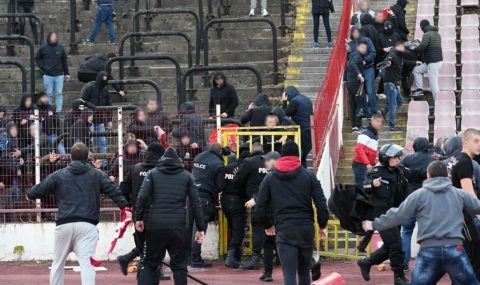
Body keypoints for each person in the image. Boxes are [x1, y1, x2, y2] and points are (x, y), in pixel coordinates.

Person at [27, 142, 131, 285]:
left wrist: (29, 195)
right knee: (87, 264)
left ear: (70, 157)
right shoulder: (97, 174)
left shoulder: (59, 175)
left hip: (64, 224)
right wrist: (126, 208)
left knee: (58, 264)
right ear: (87, 157)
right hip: (87, 225)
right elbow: (115, 192)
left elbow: (35, 192)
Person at [362, 161, 480, 285]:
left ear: (428, 175)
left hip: (429, 249)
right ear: (447, 175)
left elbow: (397, 215)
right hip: (454, 248)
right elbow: (477, 206)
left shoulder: (418, 195)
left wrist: (373, 224)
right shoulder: (459, 194)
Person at [256, 141, 329, 285]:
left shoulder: (270, 177)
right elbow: (321, 203)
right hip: (305, 229)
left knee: (289, 275)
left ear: (281, 156)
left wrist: (267, 225)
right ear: (299, 156)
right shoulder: (308, 176)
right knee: (304, 273)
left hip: (284, 230)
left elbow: (260, 205)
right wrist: (322, 225)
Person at [135, 148, 206, 284]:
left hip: (155, 225)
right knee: (179, 266)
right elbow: (196, 203)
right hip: (178, 226)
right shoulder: (187, 176)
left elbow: (142, 197)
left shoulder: (152, 174)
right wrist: (200, 228)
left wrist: (139, 218)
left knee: (150, 263)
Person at [357, 144, 410, 285]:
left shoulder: (399, 171)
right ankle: (399, 277)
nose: (398, 159)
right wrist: (372, 184)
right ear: (386, 158)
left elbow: (413, 177)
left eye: (399, 157)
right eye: (395, 157)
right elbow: (365, 186)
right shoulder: (376, 171)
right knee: (396, 244)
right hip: (381, 215)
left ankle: (366, 262)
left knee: (389, 247)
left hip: (396, 214)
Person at [117, 143, 166, 275]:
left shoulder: (135, 168)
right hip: (156, 213)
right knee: (157, 243)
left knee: (144, 243)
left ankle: (127, 259)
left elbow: (123, 189)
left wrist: (129, 205)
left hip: (139, 213)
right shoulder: (161, 171)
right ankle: (152, 271)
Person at [446, 128, 480, 279]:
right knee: (473, 258)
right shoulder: (465, 162)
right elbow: (469, 194)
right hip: (461, 216)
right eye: (476, 141)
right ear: (465, 142)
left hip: (451, 214)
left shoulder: (454, 158)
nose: (479, 145)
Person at [399, 137, 434, 271]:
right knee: (428, 233)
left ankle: (404, 264)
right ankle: (427, 265)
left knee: (406, 232)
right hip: (427, 199)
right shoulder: (432, 160)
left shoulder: (407, 159)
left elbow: (402, 175)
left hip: (411, 198)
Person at [190, 143, 226, 268]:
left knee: (188, 225)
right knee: (200, 226)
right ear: (220, 152)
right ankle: (195, 257)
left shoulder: (198, 157)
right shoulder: (218, 163)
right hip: (204, 196)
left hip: (190, 193)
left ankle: (188, 256)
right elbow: (221, 186)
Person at [234, 142, 268, 270]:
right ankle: (278, 257)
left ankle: (255, 258)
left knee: (258, 228)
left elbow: (237, 180)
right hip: (271, 200)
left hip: (255, 200)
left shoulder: (249, 162)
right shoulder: (269, 161)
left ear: (252, 151)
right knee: (272, 228)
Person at [222, 146, 251, 269]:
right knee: (238, 230)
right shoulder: (245, 168)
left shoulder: (227, 167)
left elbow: (220, 183)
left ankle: (235, 255)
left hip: (225, 200)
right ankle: (231, 257)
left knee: (233, 228)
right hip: (238, 200)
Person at [81, 71, 116, 156]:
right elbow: (83, 100)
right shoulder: (90, 88)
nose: (104, 81)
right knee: (90, 140)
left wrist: (110, 120)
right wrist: (92, 108)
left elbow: (109, 106)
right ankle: (90, 161)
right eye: (103, 78)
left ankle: (103, 163)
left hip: (100, 119)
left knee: (102, 142)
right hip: (89, 119)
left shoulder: (105, 91)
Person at [258, 151, 281, 282]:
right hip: (282, 216)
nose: (265, 163)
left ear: (275, 160)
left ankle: (268, 273)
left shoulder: (270, 177)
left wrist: (267, 223)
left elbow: (262, 201)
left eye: (268, 160)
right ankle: (310, 265)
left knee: (269, 244)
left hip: (274, 216)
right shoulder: (287, 175)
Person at [35, 32, 70, 112]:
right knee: (49, 94)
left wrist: (67, 73)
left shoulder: (60, 48)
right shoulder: (43, 48)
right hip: (48, 75)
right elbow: (37, 58)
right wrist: (43, 67)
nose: (54, 38)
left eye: (55, 36)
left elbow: (64, 60)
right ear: (48, 37)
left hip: (59, 75)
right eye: (52, 36)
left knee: (59, 93)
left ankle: (58, 111)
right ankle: (49, 111)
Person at [347, 27, 377, 118]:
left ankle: (373, 111)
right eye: (353, 32)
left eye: (357, 32)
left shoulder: (366, 40)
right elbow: (350, 59)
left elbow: (373, 52)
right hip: (357, 72)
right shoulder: (350, 44)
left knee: (370, 90)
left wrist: (365, 60)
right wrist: (348, 52)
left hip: (368, 68)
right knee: (361, 92)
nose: (355, 33)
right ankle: (364, 112)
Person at [281, 86, 313, 167]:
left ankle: (300, 172)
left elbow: (285, 114)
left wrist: (284, 102)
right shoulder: (305, 99)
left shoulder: (294, 101)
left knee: (300, 154)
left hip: (302, 130)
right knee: (303, 155)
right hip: (310, 129)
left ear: (287, 95)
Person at [411, 20, 443, 100]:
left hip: (433, 62)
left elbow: (422, 47)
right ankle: (419, 90)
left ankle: (437, 104)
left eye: (421, 27)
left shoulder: (426, 34)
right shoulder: (437, 34)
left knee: (433, 84)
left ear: (422, 27)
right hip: (436, 61)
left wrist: (414, 48)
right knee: (416, 70)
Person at [379, 41, 406, 131]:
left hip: (395, 83)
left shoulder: (400, 56)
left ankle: (385, 110)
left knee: (400, 102)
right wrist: (388, 63)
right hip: (390, 83)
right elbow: (388, 60)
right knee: (393, 104)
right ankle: (392, 124)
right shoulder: (393, 54)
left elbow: (406, 61)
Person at [352, 112, 382, 187]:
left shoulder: (374, 133)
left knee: (366, 186)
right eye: (377, 121)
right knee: (362, 187)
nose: (379, 123)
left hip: (367, 164)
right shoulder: (366, 133)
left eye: (380, 121)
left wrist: (374, 163)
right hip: (361, 164)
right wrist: (367, 163)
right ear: (371, 121)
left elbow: (372, 151)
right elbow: (359, 149)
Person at [345, 39, 367, 131]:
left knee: (353, 104)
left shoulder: (352, 55)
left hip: (350, 82)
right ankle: (358, 125)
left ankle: (354, 126)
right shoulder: (357, 55)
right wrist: (359, 74)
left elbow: (351, 63)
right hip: (356, 83)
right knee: (359, 104)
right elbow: (353, 64)